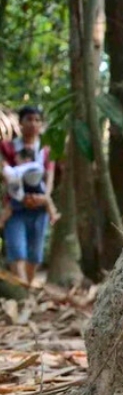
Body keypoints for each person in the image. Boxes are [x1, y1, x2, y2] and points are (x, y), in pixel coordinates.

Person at [0, 106, 56, 284]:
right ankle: (24, 294)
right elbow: (5, 174)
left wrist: (45, 197)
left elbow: (50, 176)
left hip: (39, 209)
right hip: (15, 208)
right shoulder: (7, 148)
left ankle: (28, 290)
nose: (33, 123)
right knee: (17, 251)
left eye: (37, 120)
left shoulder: (46, 151)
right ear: (21, 122)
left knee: (34, 255)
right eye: (29, 119)